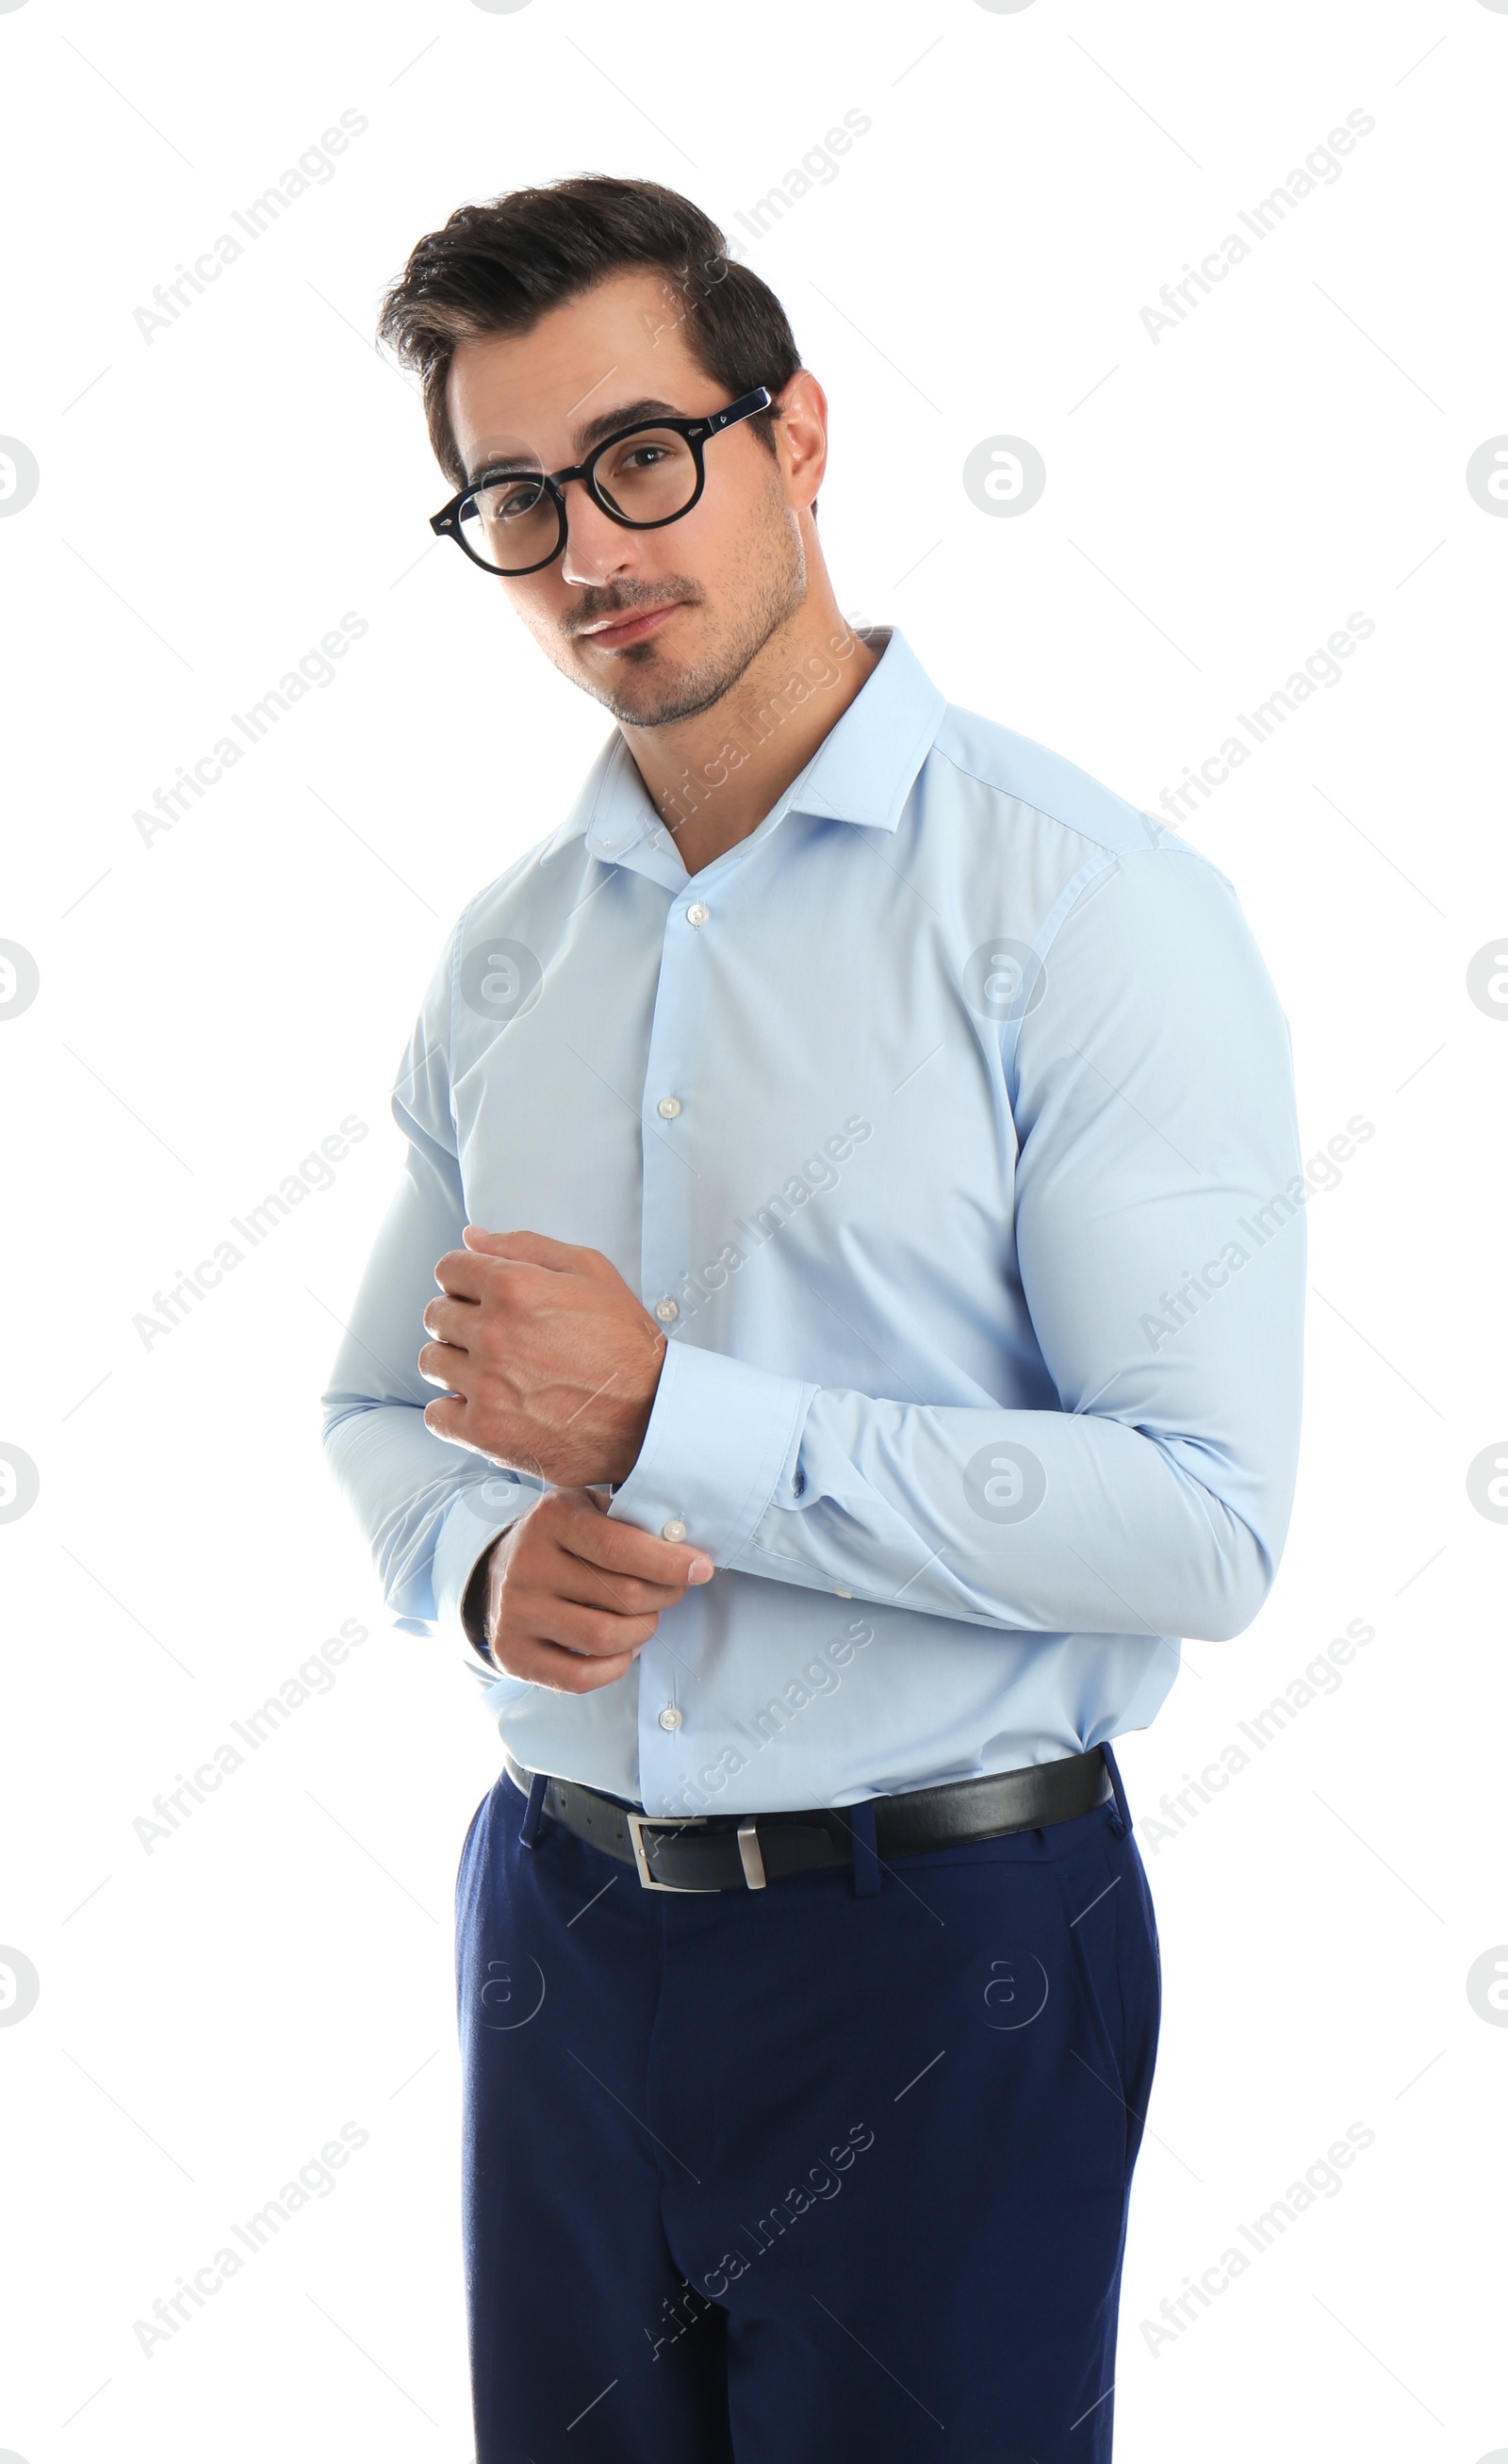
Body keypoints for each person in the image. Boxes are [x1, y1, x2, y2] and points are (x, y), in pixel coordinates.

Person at [321, 174, 1305, 2463]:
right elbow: (379, 1398)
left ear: (800, 434)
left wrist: (671, 1421)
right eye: (515, 496)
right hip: (555, 1940)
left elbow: (1203, 1527)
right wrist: (476, 1559)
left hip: (939, 1952)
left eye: (643, 454)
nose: (588, 545)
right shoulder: (508, 950)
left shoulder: (1088, 916)